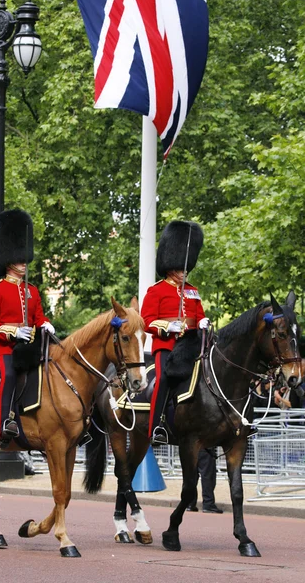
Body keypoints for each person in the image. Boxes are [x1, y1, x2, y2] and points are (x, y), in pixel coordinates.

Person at [0, 209, 55, 447]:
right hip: (4, 349)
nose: (24, 263)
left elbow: (38, 316)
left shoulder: (31, 290)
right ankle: (5, 423)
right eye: (19, 259)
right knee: (10, 375)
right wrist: (13, 332)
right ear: (8, 261)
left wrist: (46, 324)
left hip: (29, 347)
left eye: (25, 259)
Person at [141, 220, 209, 445]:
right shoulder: (156, 290)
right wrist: (166, 326)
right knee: (161, 380)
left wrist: (203, 322)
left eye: (186, 267)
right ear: (170, 266)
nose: (184, 272)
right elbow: (146, 321)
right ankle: (156, 427)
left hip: (191, 347)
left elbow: (198, 315)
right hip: (167, 347)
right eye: (181, 268)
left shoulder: (192, 291)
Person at [186, 448, 223, 514]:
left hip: (190, 448)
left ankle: (190, 503)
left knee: (191, 478)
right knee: (207, 477)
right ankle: (208, 504)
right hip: (205, 448)